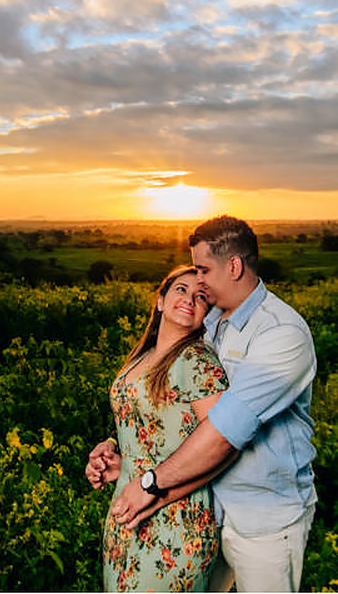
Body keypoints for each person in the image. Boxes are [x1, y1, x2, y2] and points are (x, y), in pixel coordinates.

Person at [106, 216, 317, 592]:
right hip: (204, 507)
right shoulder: (212, 320)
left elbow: (224, 433)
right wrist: (129, 460)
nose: (197, 282)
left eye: (203, 270)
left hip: (262, 521)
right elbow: (174, 409)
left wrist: (152, 484)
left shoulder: (281, 333)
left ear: (234, 266)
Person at [85, 265, 231, 592]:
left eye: (201, 297)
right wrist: (111, 450)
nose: (190, 299)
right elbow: (149, 422)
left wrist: (154, 490)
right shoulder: (143, 357)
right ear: (161, 300)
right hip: (126, 513)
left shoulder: (197, 361)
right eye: (181, 289)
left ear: (207, 314)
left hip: (176, 522)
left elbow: (223, 445)